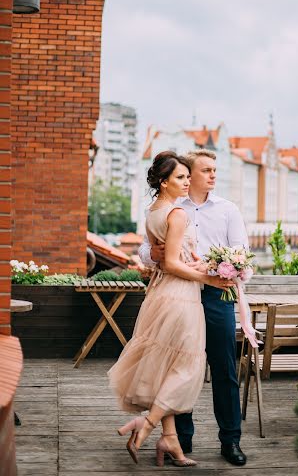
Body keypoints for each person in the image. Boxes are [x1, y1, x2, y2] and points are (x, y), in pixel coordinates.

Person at [108, 151, 233, 467]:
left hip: (160, 294)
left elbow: (168, 258)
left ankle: (171, 441)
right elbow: (171, 262)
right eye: (181, 177)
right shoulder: (178, 213)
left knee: (168, 365)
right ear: (163, 182)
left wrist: (199, 262)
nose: (187, 181)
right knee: (186, 367)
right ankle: (146, 426)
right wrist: (209, 277)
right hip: (181, 296)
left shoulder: (153, 210)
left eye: (188, 176)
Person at [139, 149, 248, 466]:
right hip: (180, 296)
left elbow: (241, 251)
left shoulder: (228, 210)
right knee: (179, 368)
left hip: (216, 298)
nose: (212, 175)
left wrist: (228, 266)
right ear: (188, 173)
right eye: (205, 170)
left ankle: (231, 441)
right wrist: (157, 256)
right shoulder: (171, 206)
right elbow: (147, 250)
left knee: (225, 369)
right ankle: (181, 440)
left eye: (215, 170)